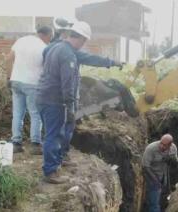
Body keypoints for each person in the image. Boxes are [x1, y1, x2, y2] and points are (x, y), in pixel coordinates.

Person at [36, 21, 122, 183]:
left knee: (57, 132)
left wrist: (111, 63)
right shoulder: (68, 54)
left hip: (44, 96)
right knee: (53, 135)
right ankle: (51, 172)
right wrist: (69, 106)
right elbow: (67, 83)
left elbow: (89, 58)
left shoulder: (57, 47)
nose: (84, 44)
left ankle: (58, 161)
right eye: (84, 41)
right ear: (81, 38)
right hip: (55, 100)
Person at [6, 26, 53, 154]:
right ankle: (35, 144)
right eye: (51, 37)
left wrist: (9, 77)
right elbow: (47, 69)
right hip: (32, 84)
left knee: (17, 113)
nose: (51, 40)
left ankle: (16, 143)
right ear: (46, 35)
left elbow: (9, 58)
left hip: (16, 81)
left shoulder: (21, 40)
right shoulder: (44, 47)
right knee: (35, 113)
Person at [142, 134, 178, 212]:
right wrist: (155, 181)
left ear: (170, 145)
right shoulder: (151, 148)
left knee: (163, 199)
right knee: (154, 203)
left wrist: (171, 159)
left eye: (164, 145)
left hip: (165, 177)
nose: (161, 146)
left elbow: (176, 164)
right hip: (151, 175)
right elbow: (145, 167)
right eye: (161, 143)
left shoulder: (173, 148)